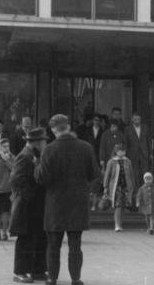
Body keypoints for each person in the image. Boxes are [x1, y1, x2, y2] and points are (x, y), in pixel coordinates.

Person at [35, 114, 100, 285]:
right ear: (69, 127)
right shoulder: (85, 147)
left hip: (55, 203)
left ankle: (52, 278)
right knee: (75, 245)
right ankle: (76, 278)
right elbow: (94, 174)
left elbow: (42, 179)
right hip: (78, 202)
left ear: (53, 129)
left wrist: (36, 166)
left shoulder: (49, 149)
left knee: (53, 245)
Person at [10, 127, 49, 284]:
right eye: (44, 140)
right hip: (27, 206)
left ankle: (38, 270)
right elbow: (16, 180)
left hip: (37, 206)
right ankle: (20, 271)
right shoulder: (25, 156)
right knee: (25, 239)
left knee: (39, 238)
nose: (45, 143)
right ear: (37, 142)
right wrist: (30, 196)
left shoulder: (35, 155)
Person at [102, 143, 135, 232]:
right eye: (120, 151)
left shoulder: (128, 161)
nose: (122, 153)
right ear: (116, 152)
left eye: (123, 151)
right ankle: (117, 225)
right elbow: (107, 175)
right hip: (115, 187)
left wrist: (133, 186)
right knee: (118, 205)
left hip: (126, 186)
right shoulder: (111, 161)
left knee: (123, 206)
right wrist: (105, 186)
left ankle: (120, 223)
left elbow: (131, 174)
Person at [79, 114, 104, 211]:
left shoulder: (102, 131)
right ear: (93, 121)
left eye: (98, 120)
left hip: (98, 155)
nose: (96, 121)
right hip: (89, 154)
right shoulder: (87, 131)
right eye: (95, 120)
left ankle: (95, 194)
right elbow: (84, 142)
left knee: (97, 176)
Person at [125, 112, 152, 192]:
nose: (137, 121)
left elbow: (148, 141)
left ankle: (145, 189)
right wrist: (126, 154)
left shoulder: (145, 128)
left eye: (138, 119)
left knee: (145, 171)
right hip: (133, 153)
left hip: (144, 153)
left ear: (140, 120)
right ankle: (136, 190)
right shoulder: (128, 129)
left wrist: (150, 153)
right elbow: (126, 142)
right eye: (135, 119)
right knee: (135, 172)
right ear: (132, 120)